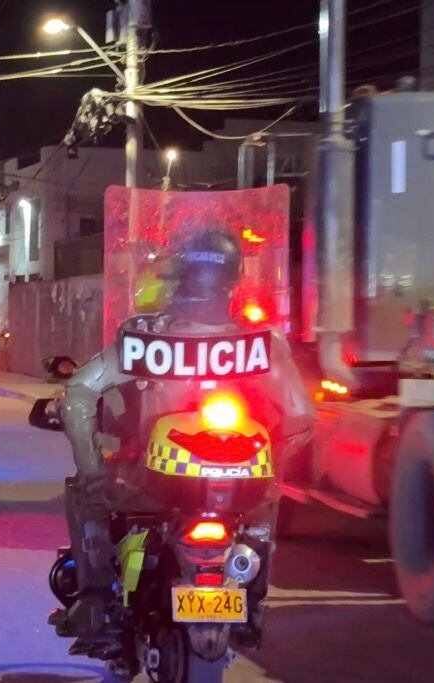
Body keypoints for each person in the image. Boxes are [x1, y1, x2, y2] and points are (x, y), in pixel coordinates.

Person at [53, 228, 316, 640]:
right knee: (265, 508)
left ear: (177, 275)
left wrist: (91, 470)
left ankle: (96, 601)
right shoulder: (264, 342)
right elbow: (301, 420)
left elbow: (78, 395)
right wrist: (269, 470)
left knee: (84, 494)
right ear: (235, 279)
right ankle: (252, 603)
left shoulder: (144, 336)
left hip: (150, 485)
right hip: (242, 491)